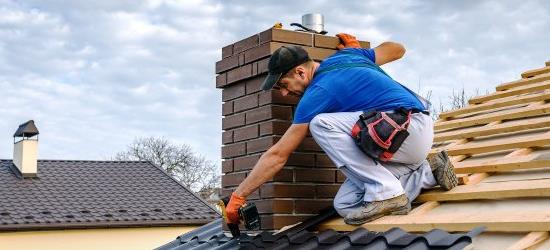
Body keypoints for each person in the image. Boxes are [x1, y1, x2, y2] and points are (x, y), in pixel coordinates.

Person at [225, 33, 458, 225]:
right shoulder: (349, 56)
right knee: (346, 205)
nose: (285, 94)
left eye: (283, 85)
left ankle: (387, 192)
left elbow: (278, 155)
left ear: (300, 72)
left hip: (407, 128)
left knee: (321, 123)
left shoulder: (317, 93)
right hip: (404, 142)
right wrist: (360, 54)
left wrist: (239, 196)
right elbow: (398, 48)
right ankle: (428, 172)